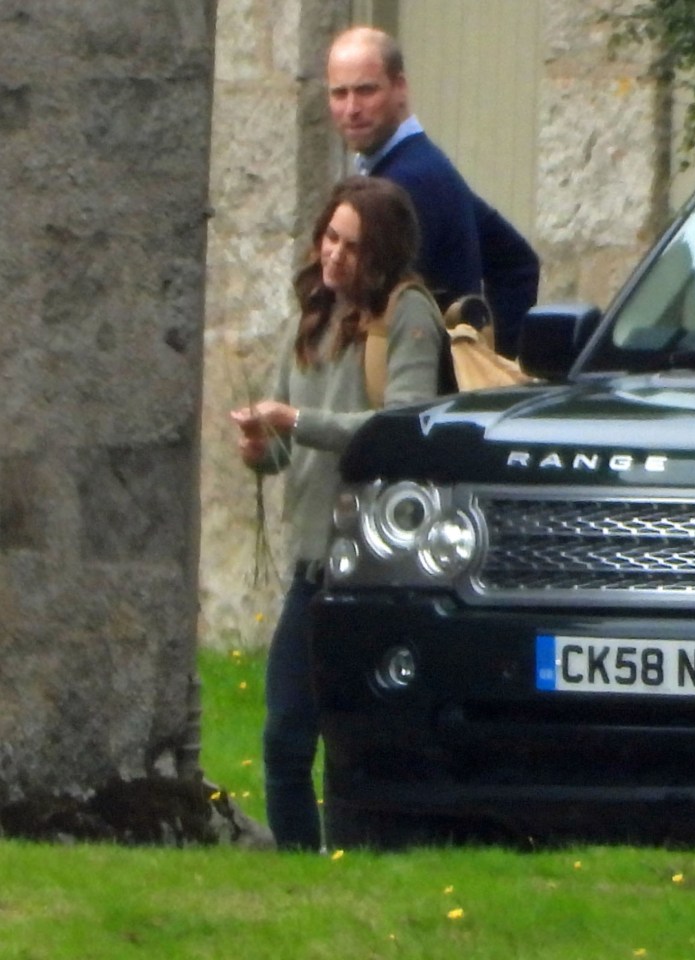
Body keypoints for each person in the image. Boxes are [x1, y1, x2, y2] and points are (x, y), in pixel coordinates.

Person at [230, 175, 443, 851]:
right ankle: (300, 874)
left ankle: (378, 854)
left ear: (382, 253)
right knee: (284, 734)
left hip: (379, 564)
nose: (334, 256)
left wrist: (299, 420)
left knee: (369, 733)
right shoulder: (312, 320)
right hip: (312, 561)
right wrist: (263, 447)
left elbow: (399, 428)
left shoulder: (408, 317)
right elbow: (289, 449)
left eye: (352, 246)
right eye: (330, 237)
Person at [326, 25, 540, 358]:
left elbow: (375, 308)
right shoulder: (426, 168)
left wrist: (489, 368)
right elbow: (517, 263)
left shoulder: (409, 183)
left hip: (412, 393)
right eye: (339, 94)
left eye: (366, 91)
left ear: (400, 88)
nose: (351, 108)